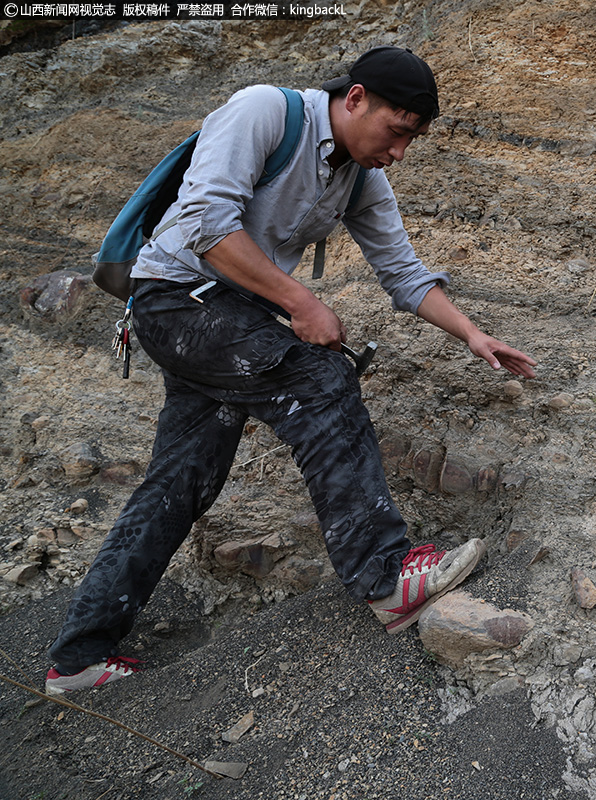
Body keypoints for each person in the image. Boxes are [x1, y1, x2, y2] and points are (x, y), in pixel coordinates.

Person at [44, 46, 536, 694]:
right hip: (174, 300)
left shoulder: (361, 177)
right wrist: (302, 301)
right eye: (397, 132)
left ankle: (78, 657)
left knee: (181, 482)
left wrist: (474, 334)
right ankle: (386, 576)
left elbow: (404, 275)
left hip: (224, 325)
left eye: (412, 140)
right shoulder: (263, 113)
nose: (399, 153)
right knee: (321, 383)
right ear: (356, 98)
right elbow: (206, 226)